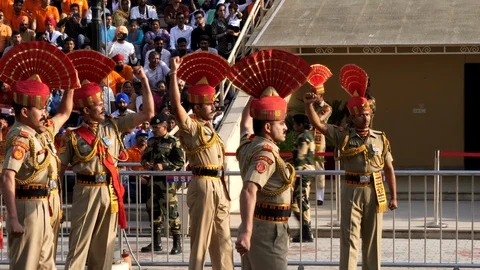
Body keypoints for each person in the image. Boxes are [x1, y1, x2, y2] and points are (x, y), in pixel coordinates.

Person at [59, 66, 154, 270]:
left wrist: (144, 81)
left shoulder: (114, 126)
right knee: (79, 247)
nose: (104, 107)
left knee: (105, 250)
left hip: (109, 191)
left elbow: (148, 113)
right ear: (86, 110)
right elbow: (58, 171)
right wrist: (55, 202)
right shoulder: (72, 136)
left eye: (103, 103)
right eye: (98, 105)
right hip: (86, 192)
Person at [304, 64, 398, 270]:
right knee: (349, 238)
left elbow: (389, 168)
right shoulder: (343, 135)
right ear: (352, 117)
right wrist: (309, 106)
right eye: (361, 115)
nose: (366, 118)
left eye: (368, 114)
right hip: (351, 190)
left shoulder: (380, 138)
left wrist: (394, 196)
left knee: (373, 239)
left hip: (374, 190)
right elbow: (320, 126)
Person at [0, 44, 78, 269]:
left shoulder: (40, 131)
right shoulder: (20, 137)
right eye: (41, 109)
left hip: (44, 204)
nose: (46, 113)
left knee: (45, 264)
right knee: (28, 263)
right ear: (25, 112)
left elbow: (64, 113)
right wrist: (13, 218)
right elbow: (7, 176)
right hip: (27, 206)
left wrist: (70, 86)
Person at [232, 49, 311, 270]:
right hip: (267, 232)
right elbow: (249, 190)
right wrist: (247, 232)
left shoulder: (249, 144)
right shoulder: (266, 153)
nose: (285, 127)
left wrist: (256, 95)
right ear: (268, 127)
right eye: (280, 123)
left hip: (259, 227)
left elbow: (245, 125)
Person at [170, 52, 233, 269]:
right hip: (203, 184)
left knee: (224, 243)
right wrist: (173, 75)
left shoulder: (209, 128)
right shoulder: (192, 127)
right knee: (200, 243)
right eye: (209, 104)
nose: (214, 107)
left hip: (218, 184)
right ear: (197, 108)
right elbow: (176, 106)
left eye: (213, 103)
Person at [140, 113, 185, 254]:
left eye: (156, 127)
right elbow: (144, 157)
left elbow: (180, 161)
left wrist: (164, 166)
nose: (153, 130)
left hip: (167, 182)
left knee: (171, 212)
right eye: (153, 127)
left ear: (165, 127)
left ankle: (177, 243)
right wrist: (145, 164)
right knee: (153, 212)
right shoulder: (152, 141)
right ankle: (156, 242)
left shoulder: (173, 141)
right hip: (153, 182)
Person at [306, 64, 333, 206]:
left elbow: (316, 120)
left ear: (320, 95)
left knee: (319, 167)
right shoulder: (311, 106)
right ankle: (306, 193)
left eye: (315, 94)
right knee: (307, 166)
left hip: (318, 139)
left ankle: (320, 196)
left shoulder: (327, 107)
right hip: (308, 139)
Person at [290, 114, 315, 242]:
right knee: (296, 201)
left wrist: (295, 174)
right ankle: (304, 229)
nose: (293, 126)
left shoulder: (304, 137)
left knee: (301, 200)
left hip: (302, 172)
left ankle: (306, 231)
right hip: (305, 171)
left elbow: (300, 157)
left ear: (300, 124)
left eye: (295, 124)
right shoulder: (307, 135)